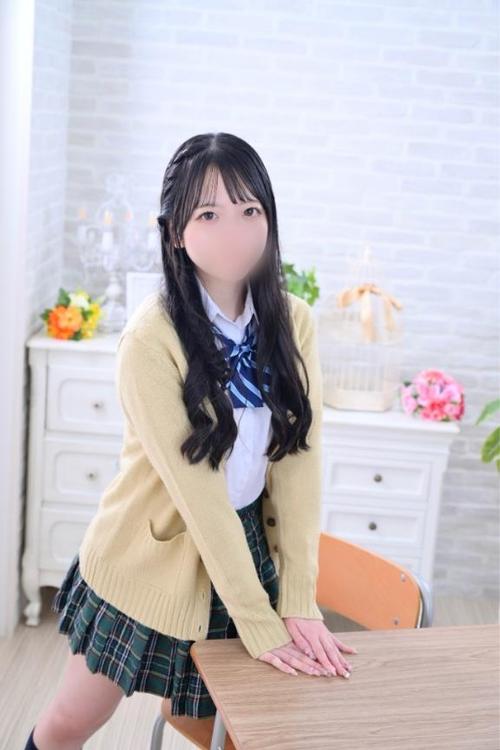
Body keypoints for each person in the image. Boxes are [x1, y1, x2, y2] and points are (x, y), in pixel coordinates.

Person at [25, 132, 357, 750]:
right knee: (72, 721)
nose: (234, 231)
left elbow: (298, 463)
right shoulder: (150, 341)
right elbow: (198, 494)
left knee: (239, 731)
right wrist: (260, 621)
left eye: (249, 210)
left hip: (244, 547)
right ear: (175, 232)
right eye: (208, 214)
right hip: (148, 552)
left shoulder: (294, 322)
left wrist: (297, 599)